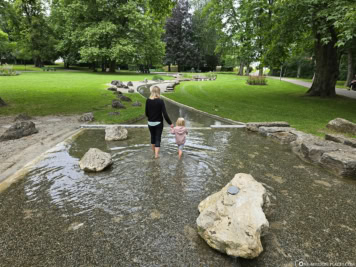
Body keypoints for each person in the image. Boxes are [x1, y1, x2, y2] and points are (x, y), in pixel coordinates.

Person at [145, 86, 173, 158]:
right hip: (158, 123)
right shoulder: (160, 101)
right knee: (158, 138)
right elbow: (165, 114)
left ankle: (154, 153)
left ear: (152, 92)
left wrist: (151, 118)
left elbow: (146, 113)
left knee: (152, 137)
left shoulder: (148, 100)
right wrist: (170, 123)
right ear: (158, 92)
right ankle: (156, 155)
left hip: (150, 123)